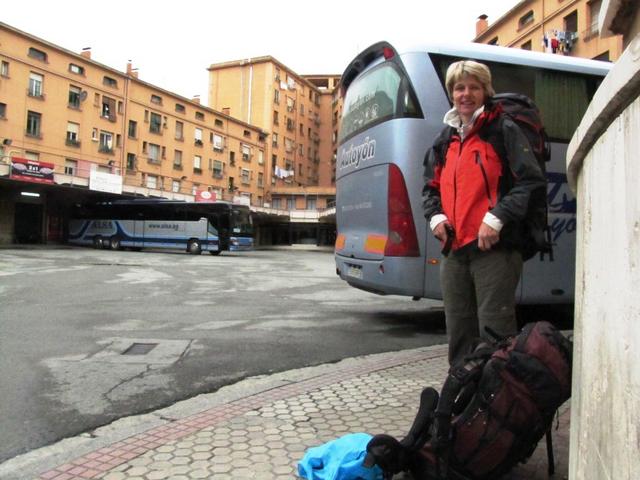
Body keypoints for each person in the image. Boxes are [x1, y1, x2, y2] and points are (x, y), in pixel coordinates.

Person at [422, 60, 546, 365]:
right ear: (452, 93)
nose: (466, 94)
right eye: (459, 87)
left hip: (494, 249)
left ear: (485, 91)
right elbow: (430, 187)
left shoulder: (502, 129)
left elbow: (530, 181)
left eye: (474, 87)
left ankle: (498, 403)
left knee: (496, 335)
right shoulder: (446, 138)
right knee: (459, 333)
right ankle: (462, 402)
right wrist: (436, 217)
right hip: (455, 249)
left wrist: (495, 219)